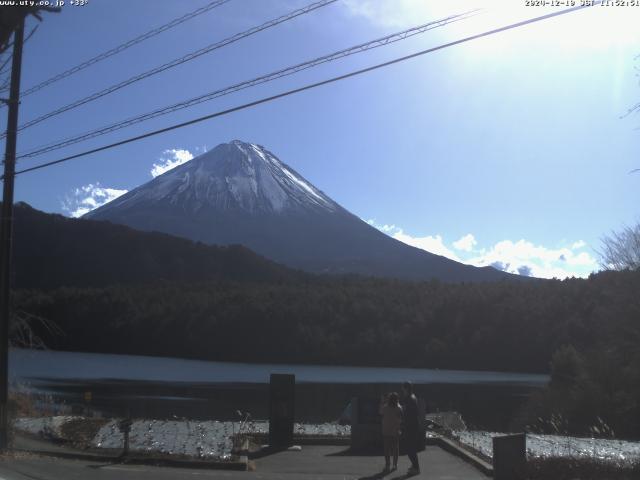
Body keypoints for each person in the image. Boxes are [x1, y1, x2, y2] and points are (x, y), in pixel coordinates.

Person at [379, 392, 402, 472]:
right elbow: (400, 419)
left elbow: (380, 413)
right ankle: (395, 465)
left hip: (386, 430)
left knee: (387, 449)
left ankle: (387, 465)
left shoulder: (385, 407)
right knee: (395, 448)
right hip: (395, 430)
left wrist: (382, 401)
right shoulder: (399, 407)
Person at [401, 381, 420, 475]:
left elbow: (407, 413)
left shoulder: (409, 399)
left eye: (403, 388)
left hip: (410, 426)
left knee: (410, 448)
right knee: (410, 447)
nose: (402, 390)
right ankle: (414, 466)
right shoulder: (413, 397)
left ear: (406, 388)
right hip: (413, 426)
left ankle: (416, 468)